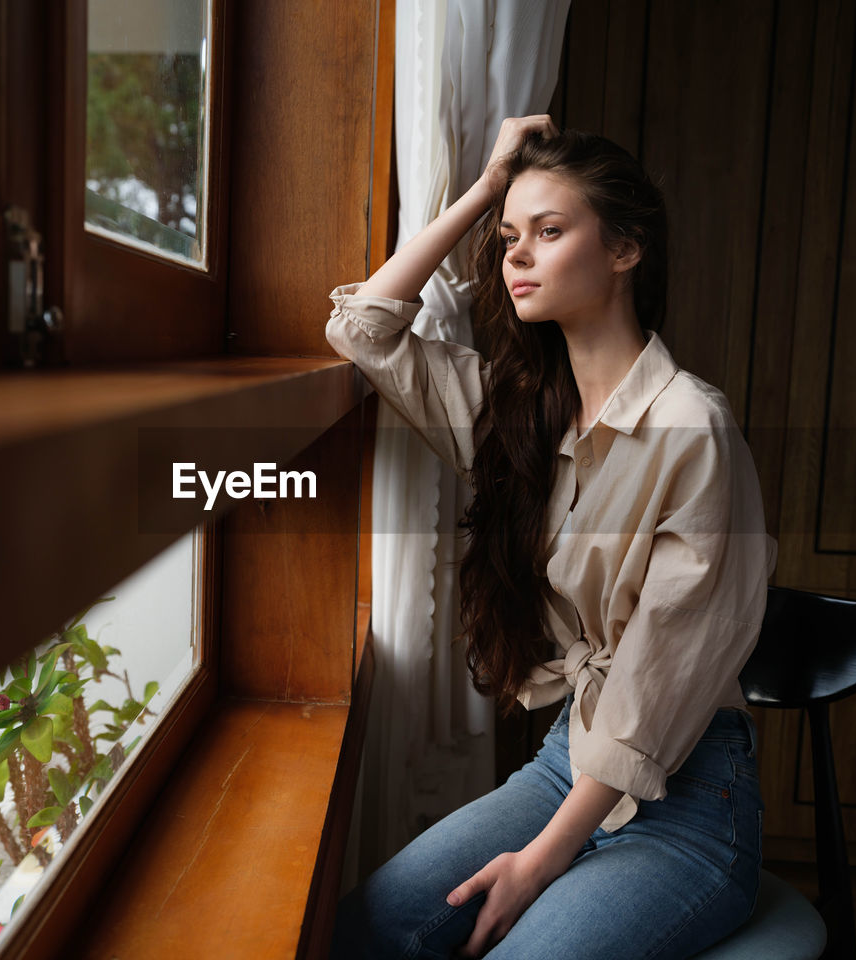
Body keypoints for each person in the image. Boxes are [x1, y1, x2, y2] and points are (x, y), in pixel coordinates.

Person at [324, 116, 778, 959]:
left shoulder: (692, 429)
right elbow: (364, 331)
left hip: (690, 802)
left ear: (624, 251)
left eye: (550, 231)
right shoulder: (519, 414)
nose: (517, 256)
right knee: (366, 931)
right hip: (566, 767)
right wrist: (487, 189)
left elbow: (654, 695)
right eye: (508, 238)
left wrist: (538, 865)